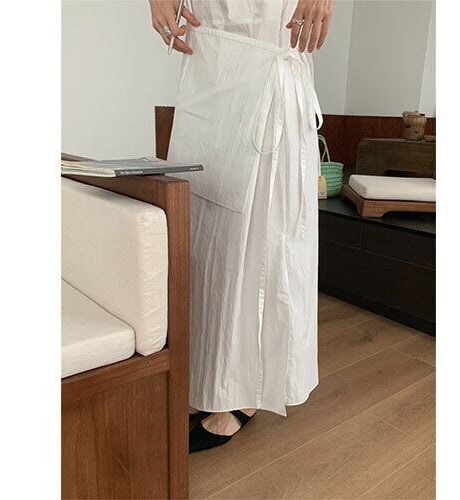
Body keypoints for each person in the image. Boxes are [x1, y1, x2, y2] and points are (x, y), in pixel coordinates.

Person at [149, 0, 334, 453]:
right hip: (210, 58)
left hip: (270, 49)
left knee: (256, 239)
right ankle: (201, 380)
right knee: (200, 231)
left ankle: (243, 389)